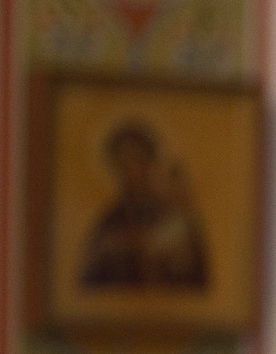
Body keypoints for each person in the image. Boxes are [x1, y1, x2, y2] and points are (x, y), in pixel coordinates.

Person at [80, 120, 210, 290]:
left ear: (150, 163)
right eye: (123, 162)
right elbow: (90, 279)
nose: (131, 170)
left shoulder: (173, 214)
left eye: (137, 160)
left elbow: (197, 277)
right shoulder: (109, 220)